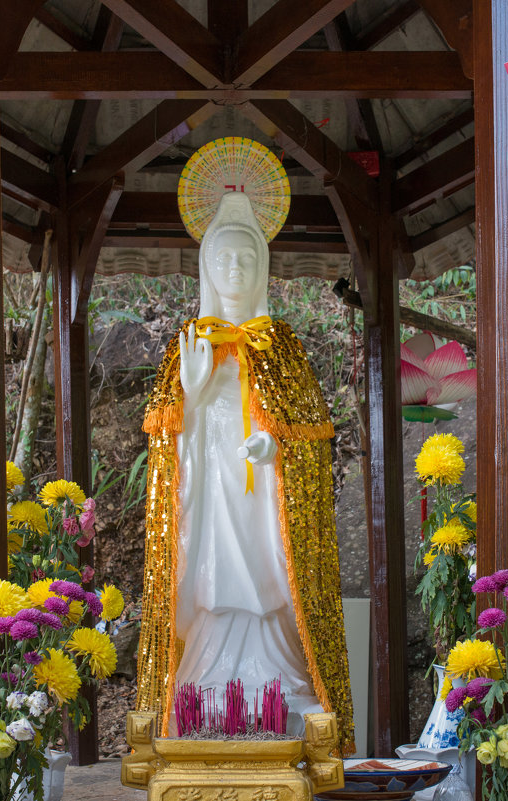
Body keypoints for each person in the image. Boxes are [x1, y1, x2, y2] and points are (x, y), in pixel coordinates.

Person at [135, 192, 352, 748]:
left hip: (263, 501)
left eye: (247, 259)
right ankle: (209, 676)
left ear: (263, 268)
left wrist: (274, 449)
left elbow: (309, 440)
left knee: (268, 572)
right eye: (225, 259)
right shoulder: (188, 344)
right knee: (209, 571)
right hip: (210, 490)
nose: (236, 269)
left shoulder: (281, 348)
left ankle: (277, 673)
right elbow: (169, 450)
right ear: (208, 267)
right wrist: (193, 391)